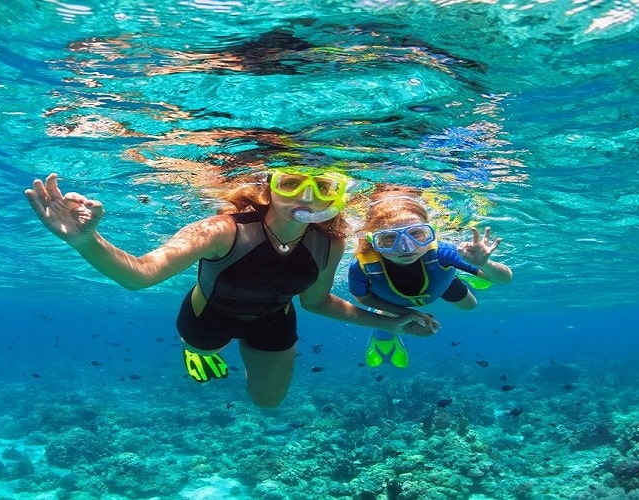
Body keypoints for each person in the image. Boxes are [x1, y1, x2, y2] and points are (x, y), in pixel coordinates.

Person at [24, 169, 437, 408]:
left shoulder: (330, 241)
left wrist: (395, 323)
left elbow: (316, 302)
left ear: (337, 195)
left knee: (268, 403)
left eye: (324, 187)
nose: (307, 196)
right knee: (204, 352)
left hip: (274, 321)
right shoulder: (222, 230)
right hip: (208, 317)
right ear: (269, 187)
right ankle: (196, 350)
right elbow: (140, 275)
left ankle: (225, 360)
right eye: (292, 183)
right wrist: (84, 240)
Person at [348, 186, 513, 368]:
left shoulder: (442, 252)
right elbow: (362, 297)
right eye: (388, 238)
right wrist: (409, 313)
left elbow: (504, 279)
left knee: (470, 306)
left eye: (416, 233)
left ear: (430, 232)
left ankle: (465, 272)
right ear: (372, 240)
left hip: (440, 282)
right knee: (386, 317)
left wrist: (484, 264)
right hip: (392, 301)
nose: (406, 247)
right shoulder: (362, 266)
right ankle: (383, 339)